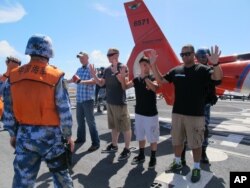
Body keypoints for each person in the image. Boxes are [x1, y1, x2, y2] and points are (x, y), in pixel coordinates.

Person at [2, 34, 74, 187]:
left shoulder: (13, 76)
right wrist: (68, 135)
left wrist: (13, 134)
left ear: (29, 51)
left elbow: (8, 110)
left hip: (25, 137)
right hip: (52, 139)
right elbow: (65, 110)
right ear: (48, 53)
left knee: (22, 182)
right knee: (62, 179)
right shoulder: (55, 76)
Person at [149, 45, 223, 183]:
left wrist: (216, 64)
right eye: (182, 54)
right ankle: (177, 162)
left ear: (193, 54)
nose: (184, 57)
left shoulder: (202, 69)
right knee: (177, 141)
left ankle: (196, 168)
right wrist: (153, 65)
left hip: (196, 115)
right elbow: (161, 81)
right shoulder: (176, 70)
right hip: (177, 113)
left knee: (196, 143)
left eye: (187, 54)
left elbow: (217, 78)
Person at [181, 47, 222, 164]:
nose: (202, 59)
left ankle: (203, 152)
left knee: (204, 129)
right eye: (199, 57)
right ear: (196, 58)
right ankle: (182, 155)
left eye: (205, 56)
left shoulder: (211, 70)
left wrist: (216, 64)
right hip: (190, 104)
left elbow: (218, 80)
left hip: (204, 105)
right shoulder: (190, 69)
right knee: (185, 129)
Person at [90, 48, 132, 161]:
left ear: (117, 55)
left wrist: (117, 72)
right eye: (108, 55)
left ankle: (127, 149)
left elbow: (125, 84)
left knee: (125, 127)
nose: (109, 56)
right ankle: (114, 145)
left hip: (120, 102)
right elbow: (101, 83)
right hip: (110, 102)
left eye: (111, 54)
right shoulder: (107, 70)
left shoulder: (123, 67)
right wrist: (94, 76)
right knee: (114, 126)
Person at [122, 56, 159, 168]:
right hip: (139, 113)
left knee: (152, 137)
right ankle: (141, 155)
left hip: (151, 114)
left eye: (145, 64)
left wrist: (146, 78)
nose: (143, 67)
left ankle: (153, 158)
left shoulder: (153, 77)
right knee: (140, 135)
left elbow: (155, 88)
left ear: (149, 65)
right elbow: (125, 87)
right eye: (141, 65)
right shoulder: (136, 80)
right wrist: (123, 77)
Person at [70, 51, 100, 152]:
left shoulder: (91, 68)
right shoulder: (79, 69)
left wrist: (81, 81)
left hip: (87, 99)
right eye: (79, 58)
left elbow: (94, 81)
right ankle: (81, 138)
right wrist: (63, 81)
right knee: (80, 121)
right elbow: (73, 79)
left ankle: (96, 143)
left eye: (82, 57)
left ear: (87, 57)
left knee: (91, 122)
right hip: (79, 99)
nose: (80, 59)